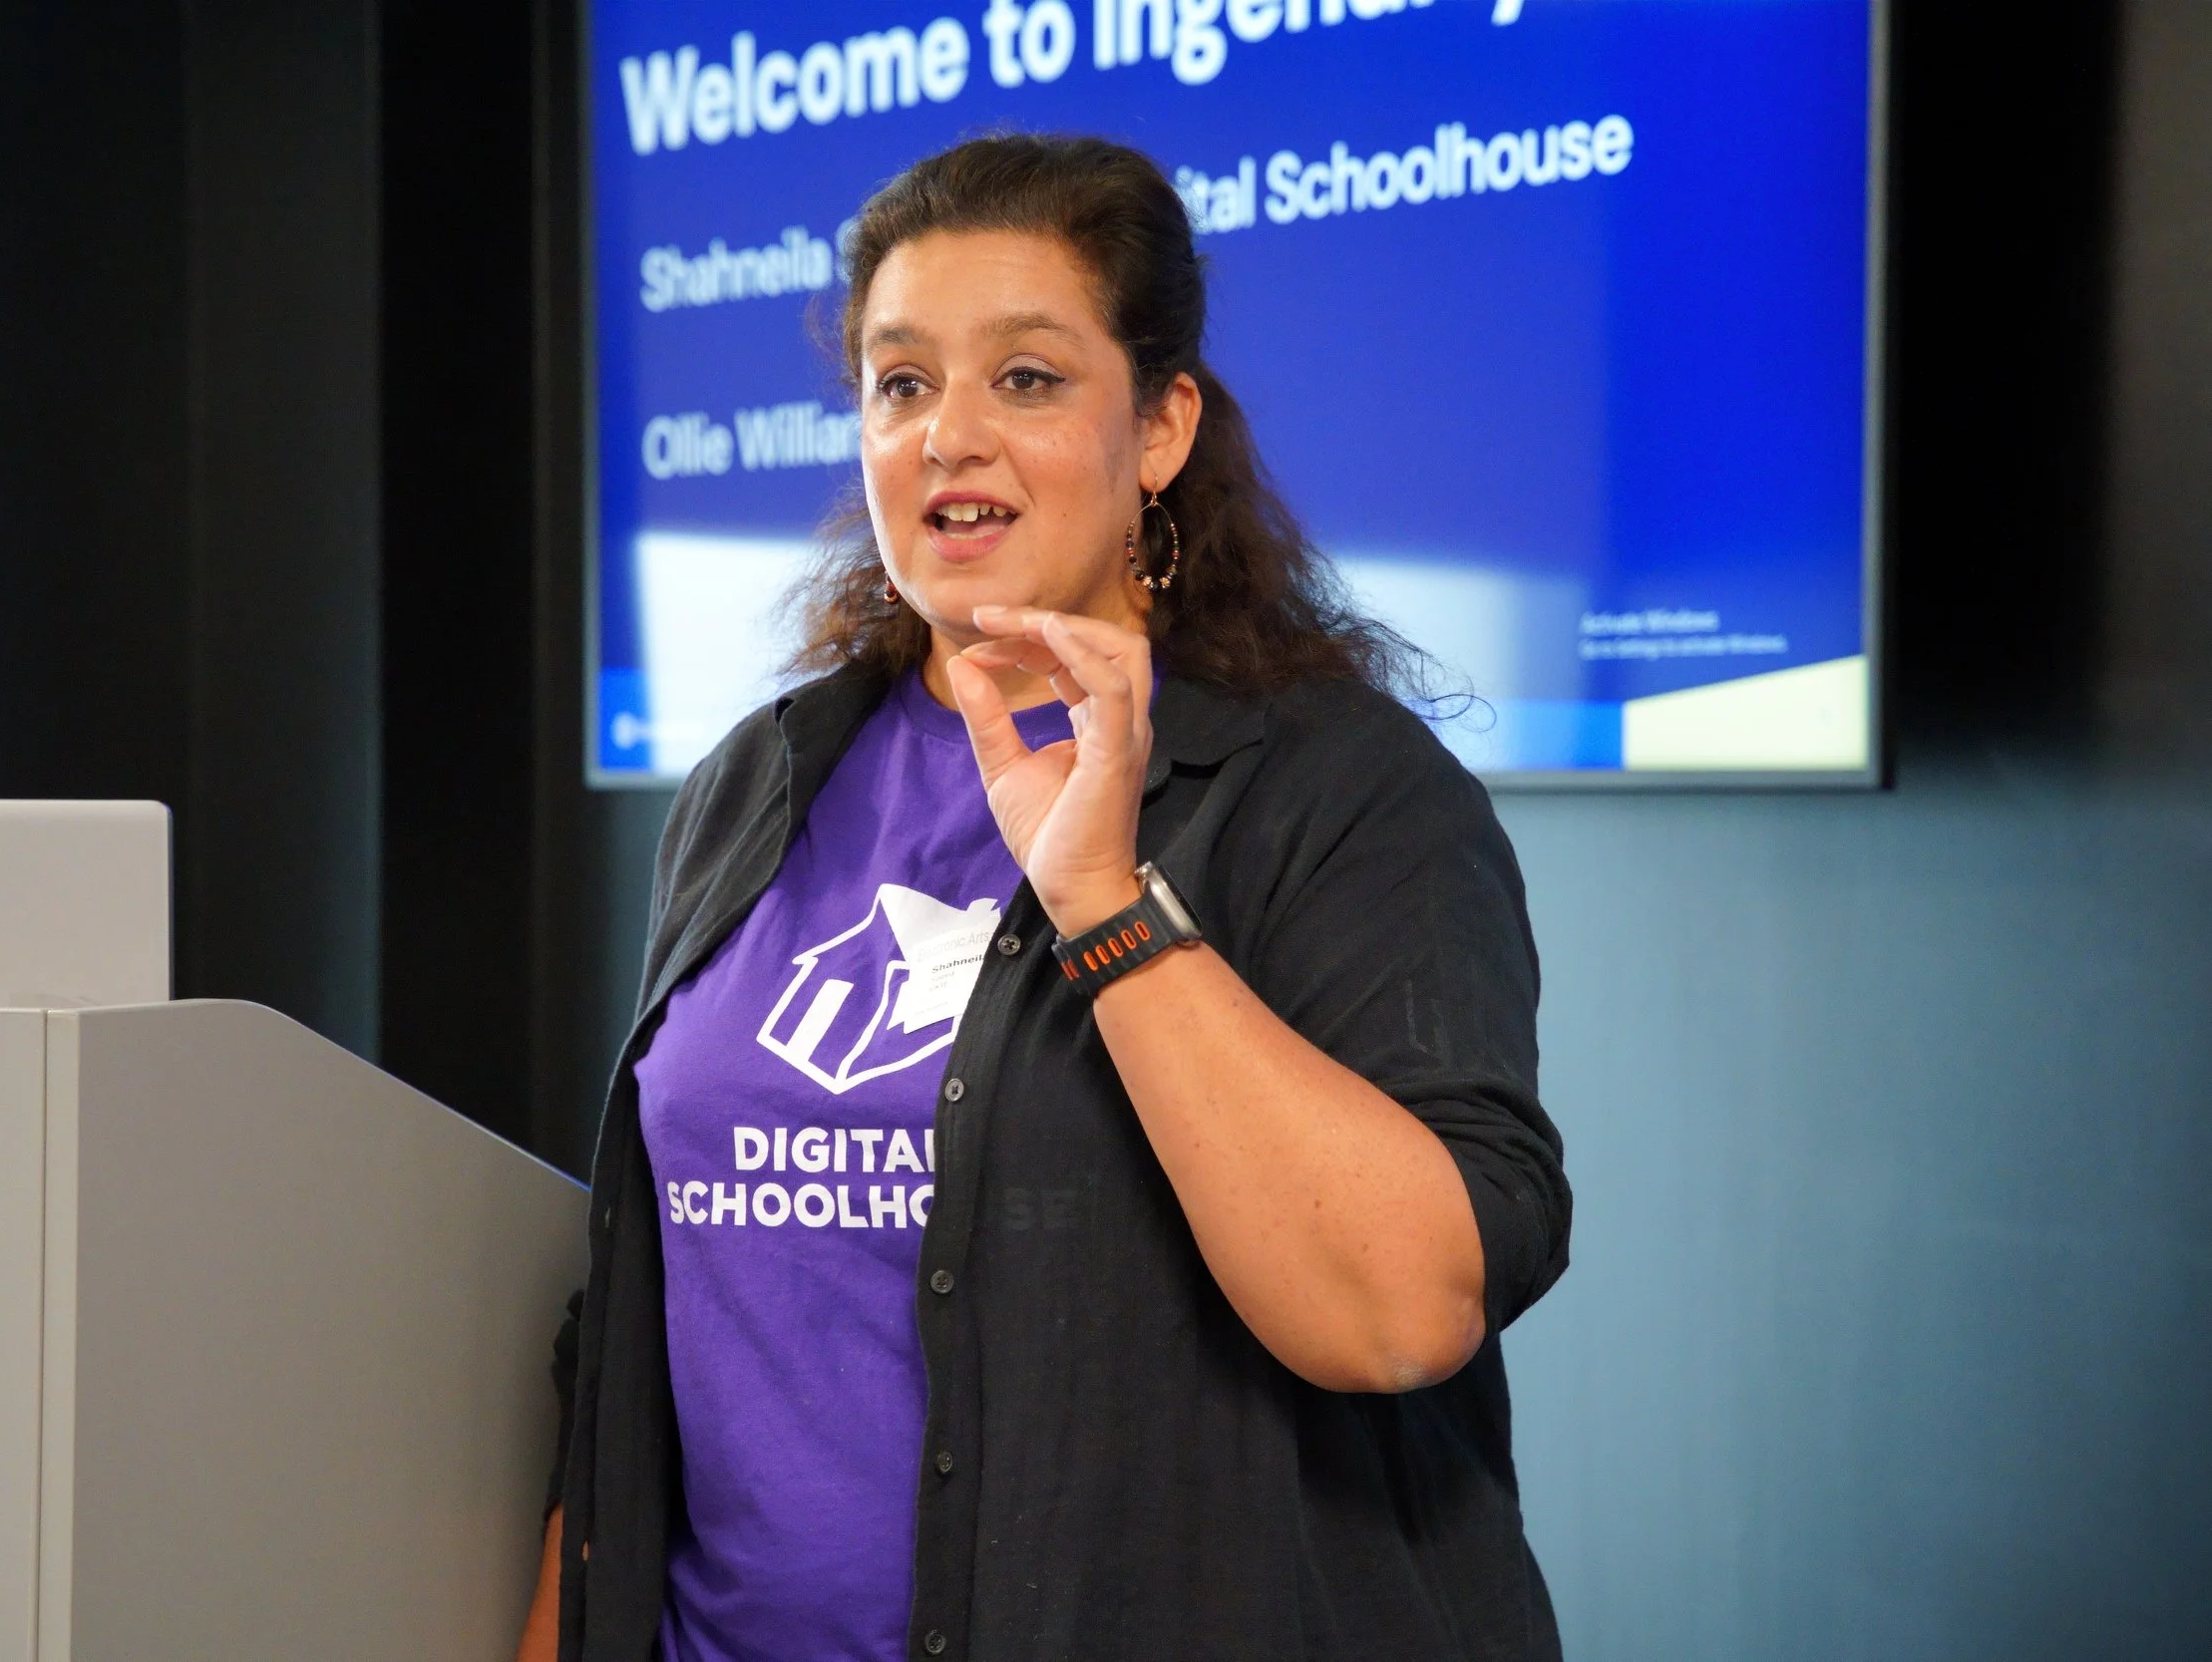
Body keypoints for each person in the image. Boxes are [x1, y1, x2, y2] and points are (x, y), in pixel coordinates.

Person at [519, 134, 1569, 1662]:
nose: (951, 434)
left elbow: (1400, 1311)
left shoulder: (1342, 793)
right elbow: (645, 1316)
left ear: (1161, 427)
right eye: (901, 383)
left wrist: (1101, 900)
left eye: (1026, 378)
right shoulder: (763, 779)